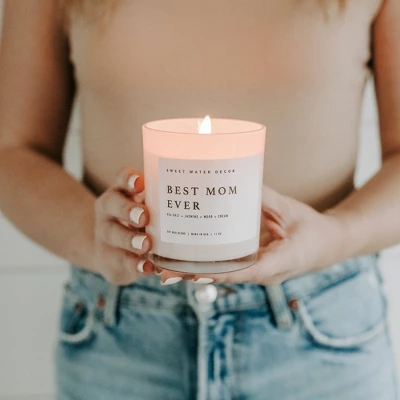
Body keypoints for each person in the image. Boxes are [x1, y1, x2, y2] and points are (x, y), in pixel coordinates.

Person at [0, 0, 399, 399]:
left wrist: (336, 235)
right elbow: (13, 150)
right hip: (118, 331)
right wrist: (93, 238)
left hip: (322, 331)